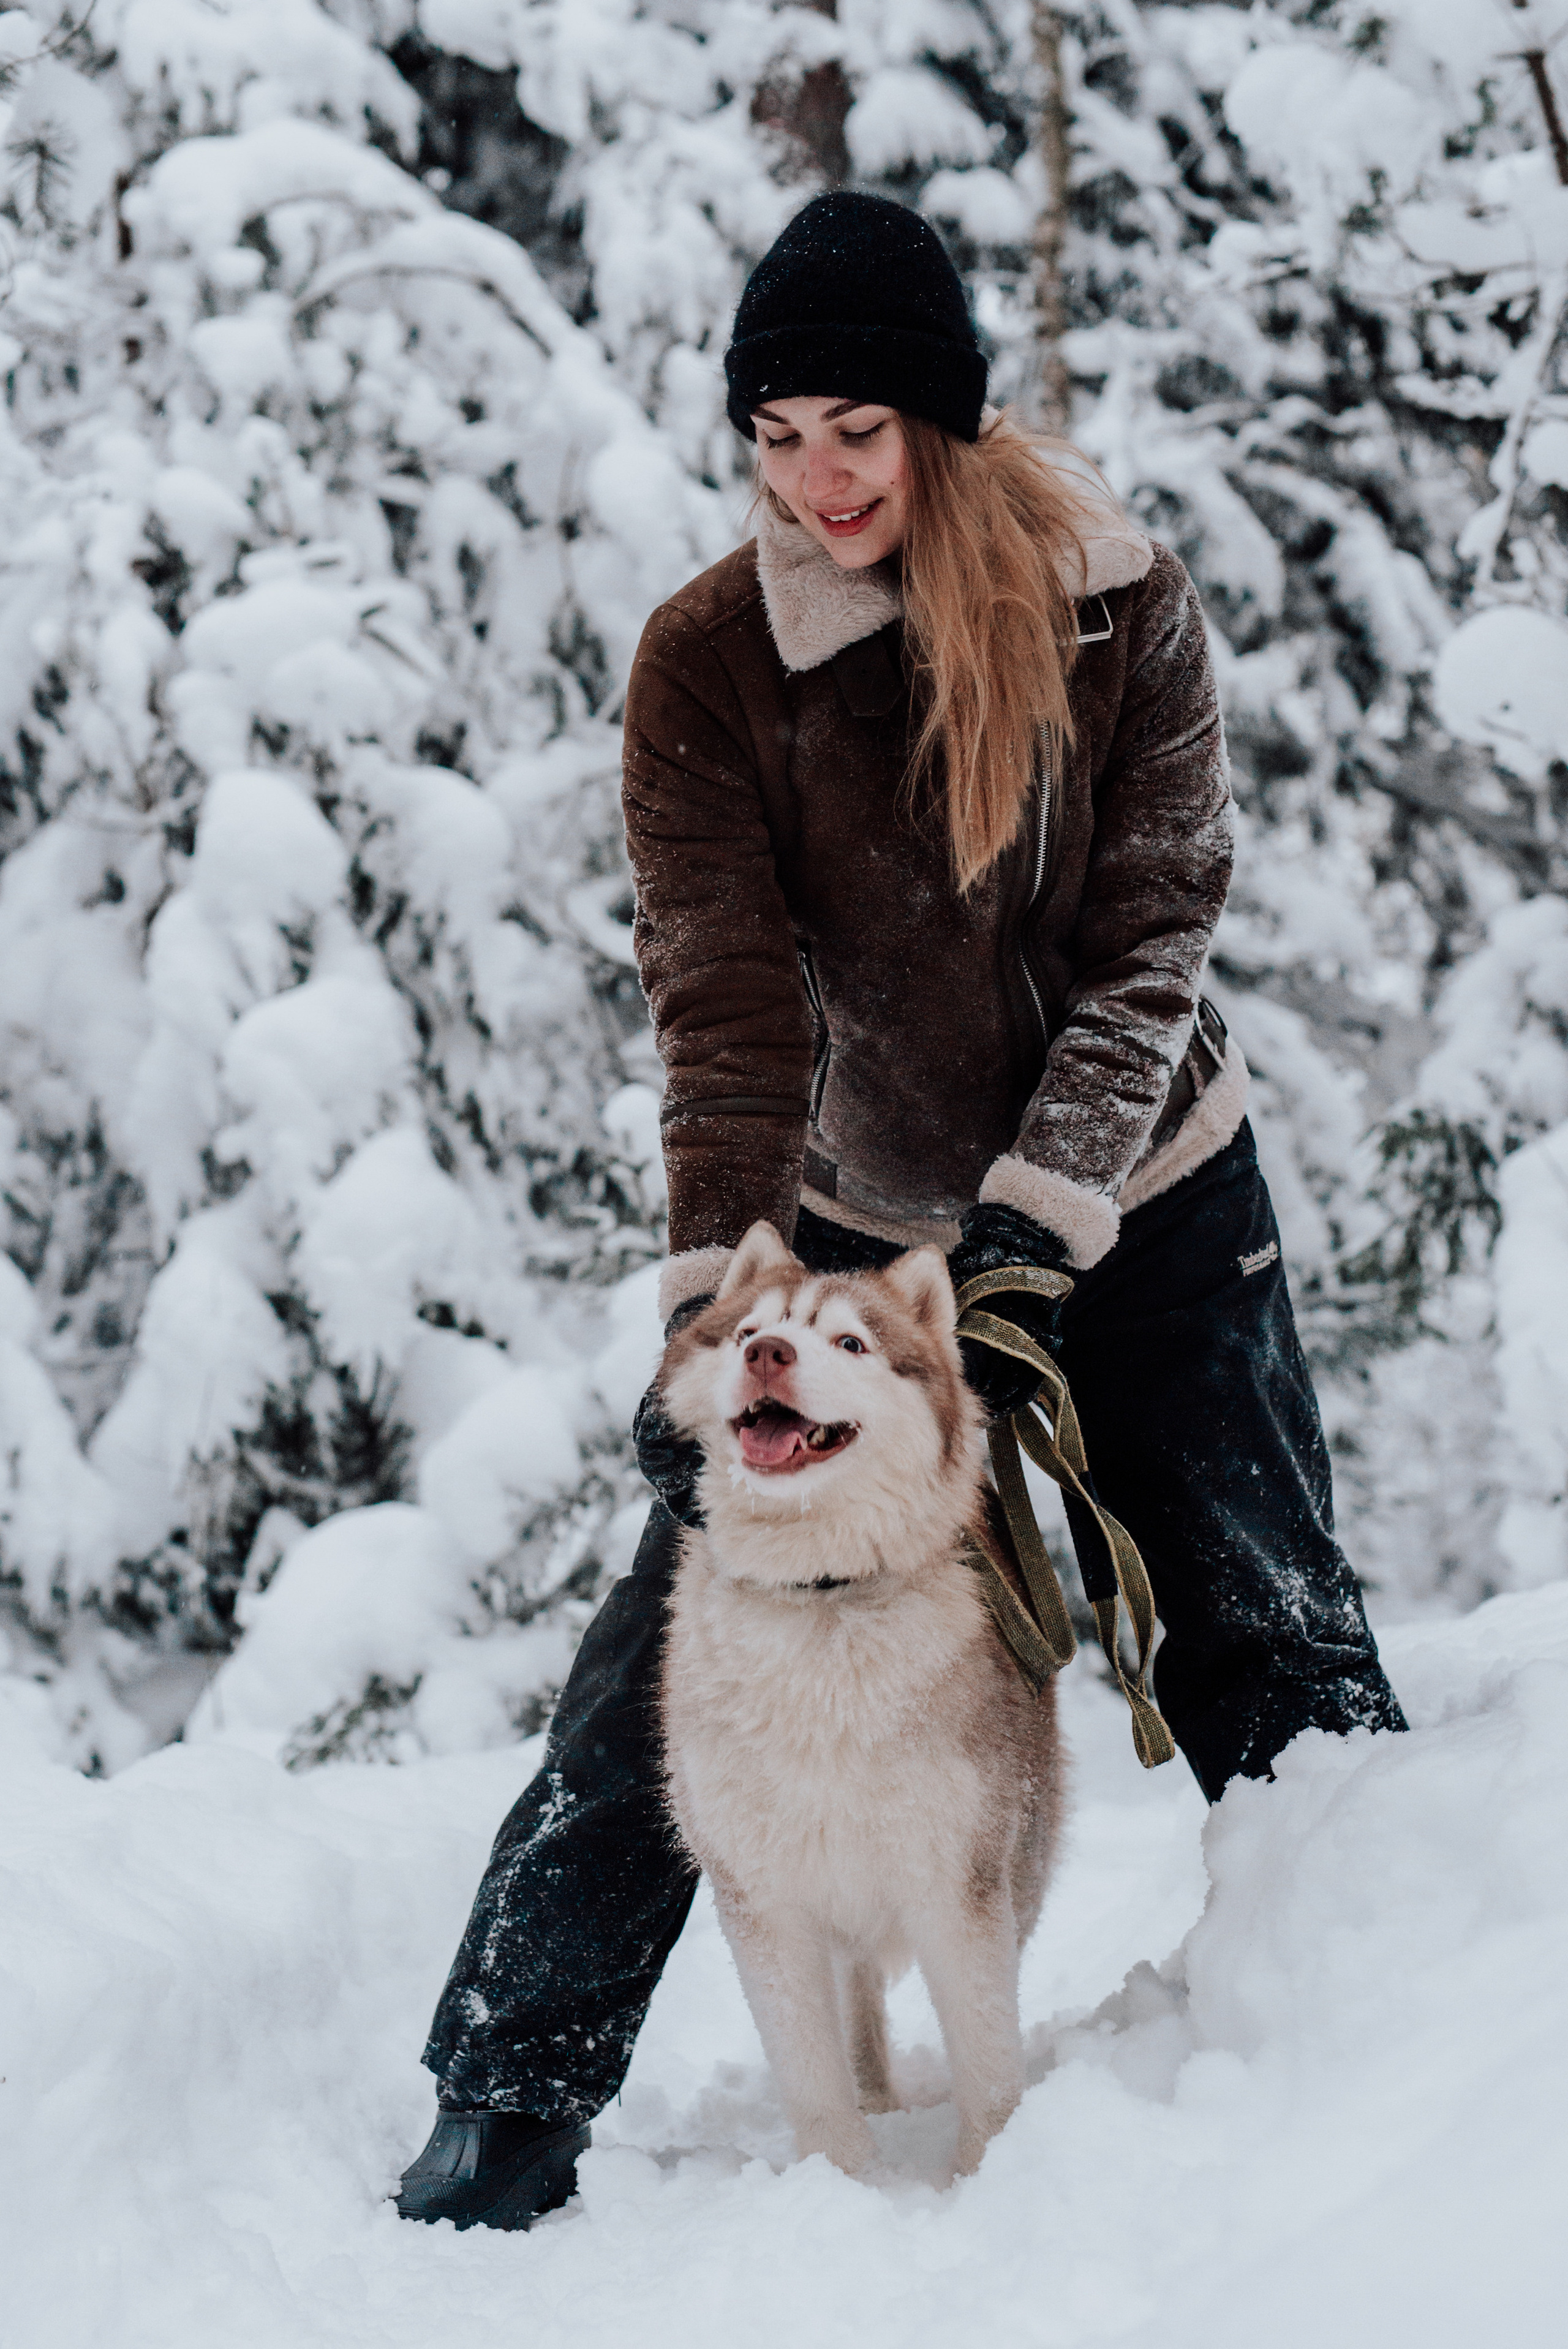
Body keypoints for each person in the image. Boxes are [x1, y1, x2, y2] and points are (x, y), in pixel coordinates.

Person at [395, 192, 1406, 2232]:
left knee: (1258, 1618)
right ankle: (509, 2084)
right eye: (775, 437)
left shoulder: (1118, 603)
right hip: (859, 1260)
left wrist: (1048, 1212)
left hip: (1152, 1197)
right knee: (671, 1657)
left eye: (854, 428)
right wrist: (713, 1324)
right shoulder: (708, 661)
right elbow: (726, 1007)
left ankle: (1400, 2025)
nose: (815, 479)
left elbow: (1154, 936)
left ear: (941, 421)